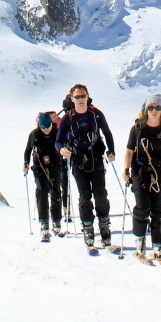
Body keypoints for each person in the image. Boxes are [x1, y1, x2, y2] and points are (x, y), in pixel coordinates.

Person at [56, 84, 116, 249]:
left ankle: (104, 229)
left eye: (83, 96)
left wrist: (111, 151)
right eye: (77, 97)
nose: (81, 99)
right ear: (72, 99)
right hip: (78, 161)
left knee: (100, 195)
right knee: (84, 196)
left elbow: (108, 133)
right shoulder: (68, 118)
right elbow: (58, 140)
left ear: (88, 97)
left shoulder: (96, 114)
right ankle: (88, 230)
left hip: (96, 159)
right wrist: (61, 150)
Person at [123, 92, 161, 260]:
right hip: (140, 172)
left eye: (157, 107)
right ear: (146, 109)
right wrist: (126, 170)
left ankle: (158, 246)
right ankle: (140, 245)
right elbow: (128, 150)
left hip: (159, 173)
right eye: (151, 107)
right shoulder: (137, 128)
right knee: (142, 208)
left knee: (157, 210)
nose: (154, 111)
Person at [24, 111, 64, 238]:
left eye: (48, 127)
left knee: (56, 191)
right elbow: (27, 150)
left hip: (55, 166)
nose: (46, 130)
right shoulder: (34, 135)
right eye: (43, 128)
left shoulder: (56, 133)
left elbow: (63, 145)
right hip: (39, 167)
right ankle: (44, 222)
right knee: (41, 191)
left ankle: (57, 221)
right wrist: (26, 163)